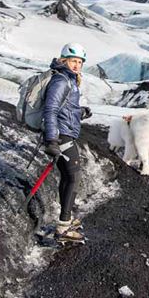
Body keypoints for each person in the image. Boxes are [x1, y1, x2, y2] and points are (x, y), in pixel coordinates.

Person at [42, 42, 92, 241]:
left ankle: (66, 218)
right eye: (73, 61)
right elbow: (51, 110)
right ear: (64, 60)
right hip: (62, 136)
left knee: (68, 176)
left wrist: (80, 112)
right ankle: (63, 227)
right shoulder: (61, 80)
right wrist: (52, 140)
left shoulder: (69, 80)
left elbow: (66, 110)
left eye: (80, 62)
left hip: (65, 132)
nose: (77, 65)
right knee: (73, 176)